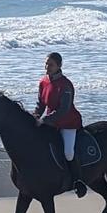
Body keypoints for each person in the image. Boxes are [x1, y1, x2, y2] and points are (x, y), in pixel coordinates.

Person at [33, 51, 86, 197]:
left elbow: (64, 110)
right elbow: (40, 104)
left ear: (59, 66)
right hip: (50, 121)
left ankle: (78, 182)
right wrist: (35, 116)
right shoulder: (43, 82)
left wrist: (44, 120)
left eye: (51, 64)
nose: (47, 67)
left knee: (68, 152)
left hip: (68, 122)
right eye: (46, 64)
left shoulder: (66, 85)